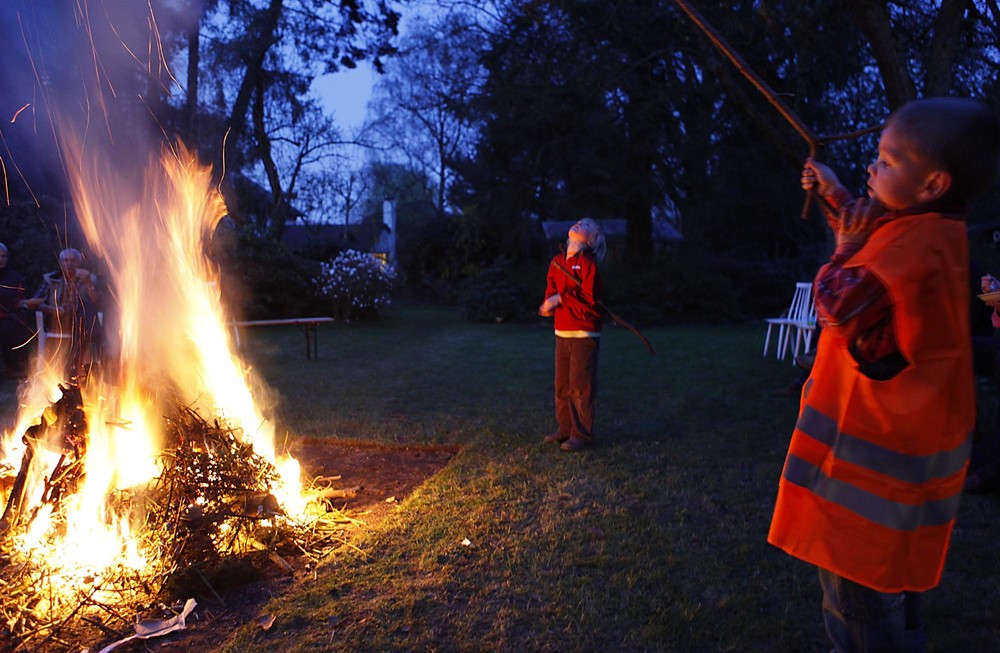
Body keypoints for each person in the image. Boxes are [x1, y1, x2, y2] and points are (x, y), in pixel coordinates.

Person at [768, 97, 1000, 652]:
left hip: (864, 476)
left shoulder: (913, 249)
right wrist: (835, 193)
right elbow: (878, 229)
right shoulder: (931, 227)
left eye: (887, 161)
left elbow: (838, 303)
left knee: (861, 608)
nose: (872, 168)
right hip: (903, 471)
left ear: (932, 184)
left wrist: (842, 247)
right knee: (894, 584)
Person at [538, 218, 606, 452]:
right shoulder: (557, 262)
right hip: (562, 332)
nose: (579, 224)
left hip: (583, 333)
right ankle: (565, 429)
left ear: (590, 240)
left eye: (586, 225)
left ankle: (581, 434)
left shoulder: (588, 264)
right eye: (578, 222)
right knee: (562, 385)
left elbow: (589, 300)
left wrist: (561, 299)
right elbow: (551, 291)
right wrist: (547, 305)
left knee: (580, 386)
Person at [29, 247, 105, 379]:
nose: (69, 264)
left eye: (73, 261)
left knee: (84, 306)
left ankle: (75, 364)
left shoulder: (88, 279)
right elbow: (37, 302)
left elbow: (98, 303)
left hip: (81, 321)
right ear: (61, 263)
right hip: (57, 319)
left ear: (79, 263)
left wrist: (87, 284)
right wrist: (53, 310)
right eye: (66, 260)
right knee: (85, 309)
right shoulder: (51, 279)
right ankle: (95, 340)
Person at [0, 243, 34, 378]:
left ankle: (15, 367)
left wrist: (24, 304)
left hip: (8, 318)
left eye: (3, 256)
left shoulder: (13, 277)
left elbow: (18, 299)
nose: (0, 259)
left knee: (17, 325)